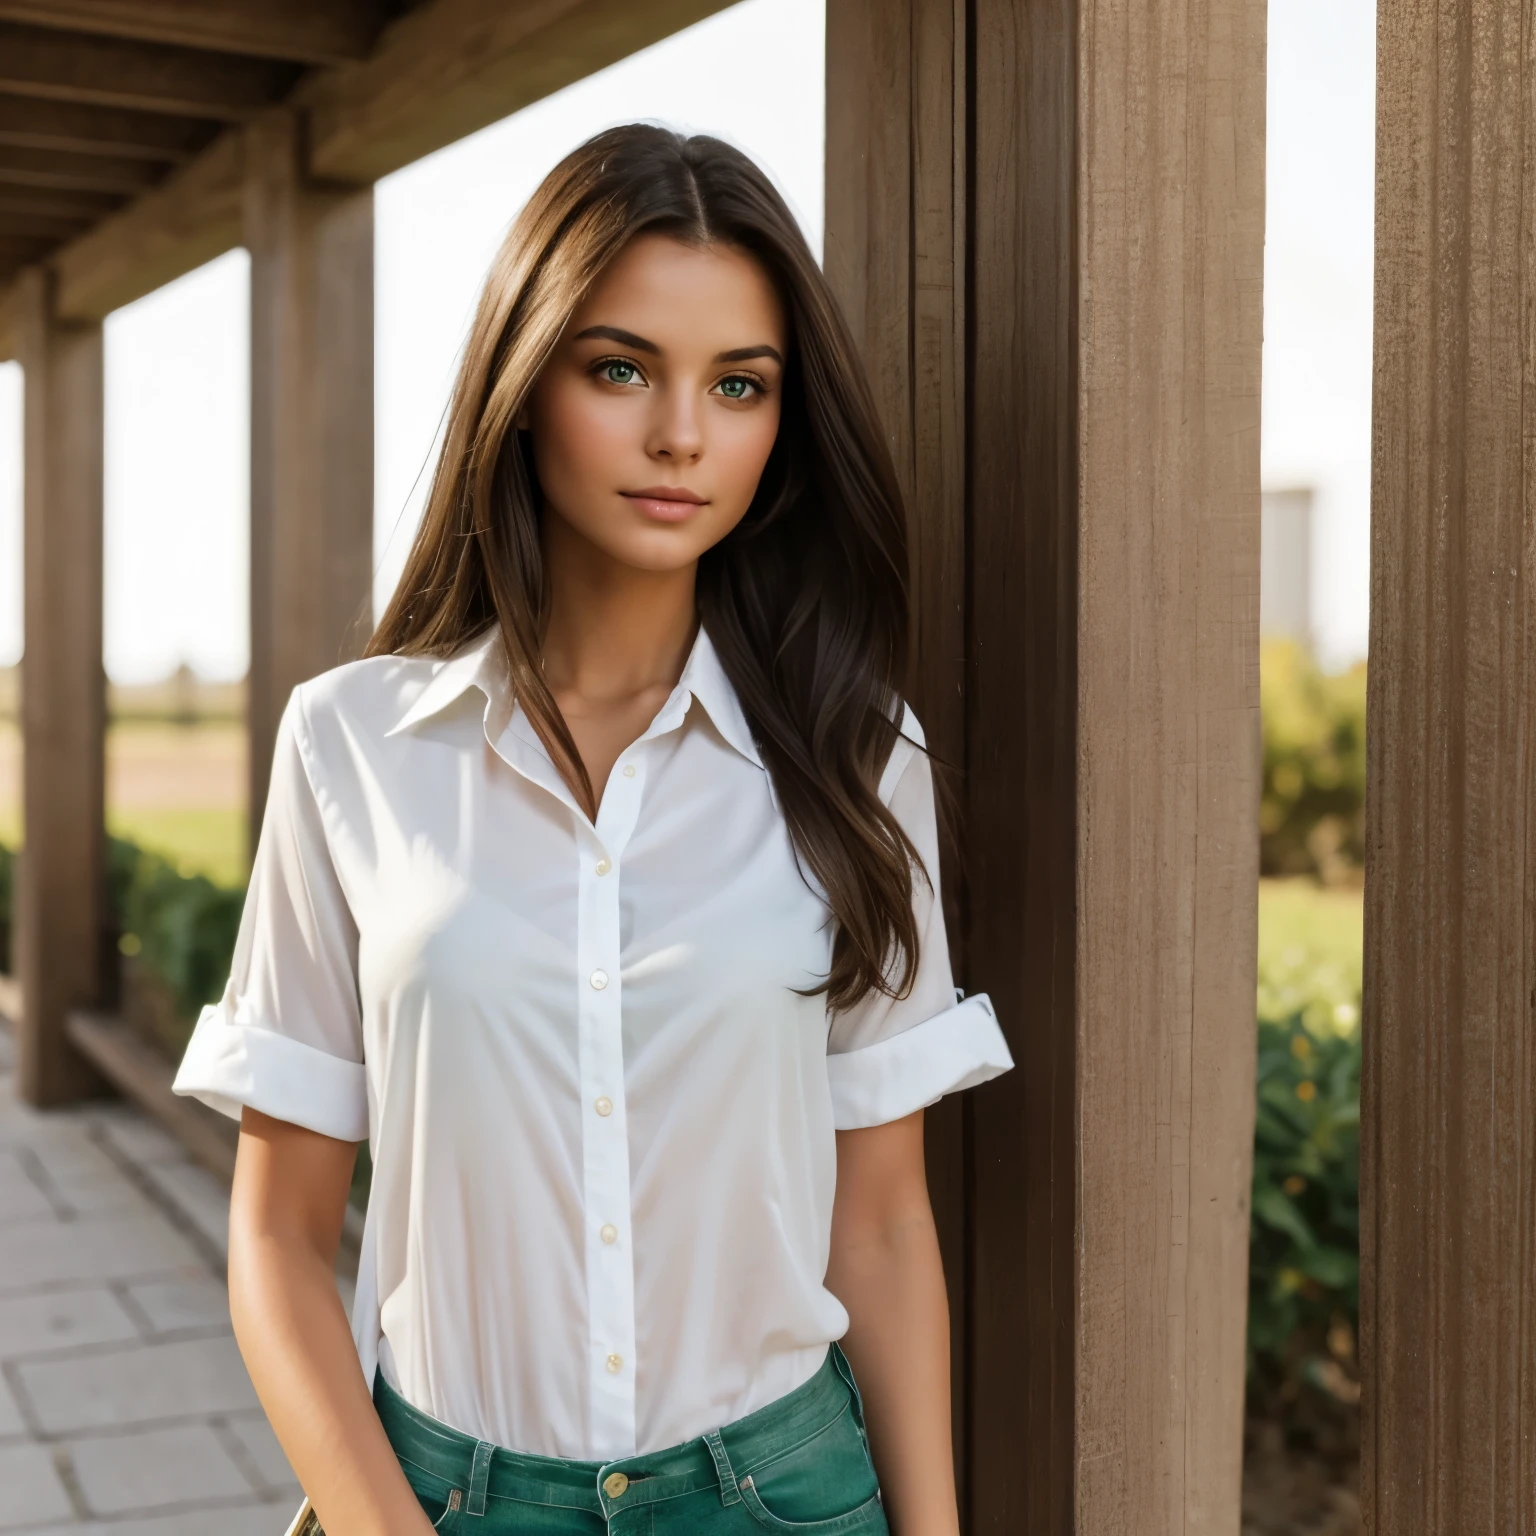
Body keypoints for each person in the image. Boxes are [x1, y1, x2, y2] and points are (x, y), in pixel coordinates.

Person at [173, 122, 1013, 1536]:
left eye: (738, 385)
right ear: (525, 379)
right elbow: (276, 1231)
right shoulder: (351, 748)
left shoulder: (862, 758)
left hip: (782, 1497)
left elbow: (880, 1223)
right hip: (439, 1500)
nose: (682, 431)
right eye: (620, 368)